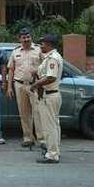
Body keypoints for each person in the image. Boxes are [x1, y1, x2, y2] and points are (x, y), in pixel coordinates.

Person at [7, 28, 44, 148]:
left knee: (38, 112)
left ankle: (41, 139)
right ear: (20, 39)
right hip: (20, 85)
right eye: (23, 37)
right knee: (24, 113)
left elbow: (45, 66)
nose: (26, 39)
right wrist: (9, 87)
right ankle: (28, 137)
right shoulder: (15, 52)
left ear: (31, 37)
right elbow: (11, 70)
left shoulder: (39, 50)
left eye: (28, 37)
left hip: (36, 85)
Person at [32, 34, 64, 164]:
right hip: (50, 95)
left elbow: (51, 77)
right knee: (54, 125)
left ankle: (52, 155)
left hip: (49, 96)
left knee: (49, 127)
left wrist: (36, 84)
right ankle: (54, 150)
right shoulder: (49, 58)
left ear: (49, 44)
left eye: (43, 43)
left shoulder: (52, 58)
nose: (41, 46)